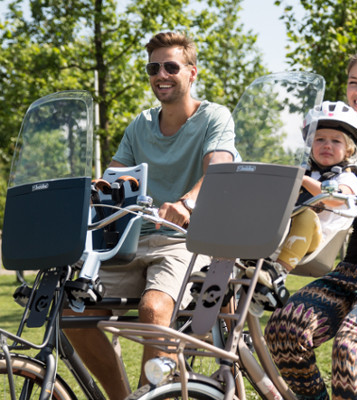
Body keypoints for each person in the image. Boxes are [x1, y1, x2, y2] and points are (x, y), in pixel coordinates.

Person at [64, 31, 236, 400]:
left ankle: (156, 394)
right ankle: (125, 398)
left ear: (192, 72)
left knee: (154, 309)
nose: (161, 74)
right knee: (70, 311)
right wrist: (96, 189)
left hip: (183, 239)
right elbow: (115, 179)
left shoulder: (214, 117)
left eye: (171, 66)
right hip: (132, 242)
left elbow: (219, 169)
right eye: (153, 67)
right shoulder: (140, 124)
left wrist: (187, 202)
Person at [265, 44, 357, 400]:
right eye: (353, 82)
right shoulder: (329, 141)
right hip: (350, 266)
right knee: (284, 329)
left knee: (349, 350)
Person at [247, 101, 357, 299]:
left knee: (307, 215)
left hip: (317, 243)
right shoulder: (307, 172)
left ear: (349, 150)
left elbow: (339, 199)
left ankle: (278, 273)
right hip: (282, 235)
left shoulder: (346, 177)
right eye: (319, 139)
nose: (327, 145)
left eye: (336, 141)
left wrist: (303, 179)